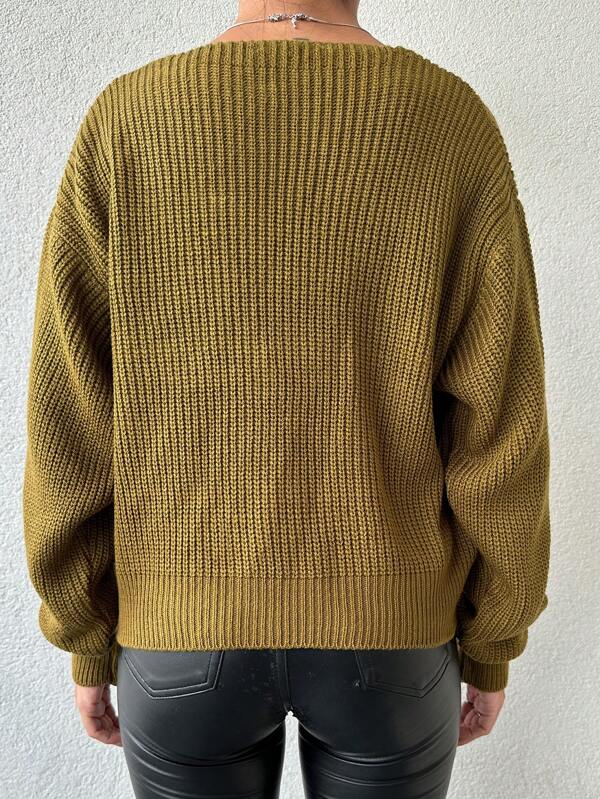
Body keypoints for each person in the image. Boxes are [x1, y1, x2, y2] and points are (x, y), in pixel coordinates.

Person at [22, 1, 551, 796]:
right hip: (393, 640)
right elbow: (502, 422)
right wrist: (493, 637)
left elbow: (69, 420)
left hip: (179, 631)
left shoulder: (127, 121)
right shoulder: (448, 121)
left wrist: (83, 632)